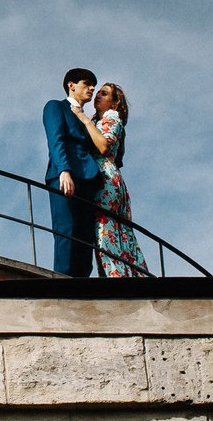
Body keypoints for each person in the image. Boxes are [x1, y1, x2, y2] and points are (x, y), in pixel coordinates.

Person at [70, 83, 146, 279]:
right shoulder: (99, 119)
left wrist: (83, 118)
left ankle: (116, 277)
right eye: (98, 93)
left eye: (104, 94)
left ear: (115, 102)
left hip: (105, 178)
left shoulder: (112, 117)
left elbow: (103, 146)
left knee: (105, 229)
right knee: (113, 231)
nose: (98, 96)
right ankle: (127, 275)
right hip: (107, 177)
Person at [42, 68, 102, 276]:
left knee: (86, 238)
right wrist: (64, 171)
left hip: (89, 180)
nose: (92, 88)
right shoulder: (56, 107)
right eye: (87, 83)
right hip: (65, 176)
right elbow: (55, 140)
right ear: (71, 85)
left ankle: (82, 287)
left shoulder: (88, 119)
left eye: (93, 85)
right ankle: (63, 284)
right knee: (66, 232)